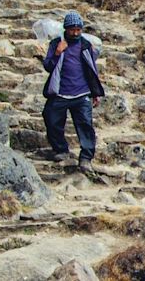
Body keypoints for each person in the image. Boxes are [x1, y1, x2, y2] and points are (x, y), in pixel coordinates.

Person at [42, 11, 105, 172]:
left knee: (85, 126)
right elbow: (48, 65)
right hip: (60, 92)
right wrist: (57, 53)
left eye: (78, 29)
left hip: (82, 93)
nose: (75, 33)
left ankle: (85, 158)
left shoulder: (85, 45)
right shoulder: (57, 43)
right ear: (66, 29)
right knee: (51, 118)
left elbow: (91, 69)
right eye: (72, 30)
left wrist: (95, 92)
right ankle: (61, 150)